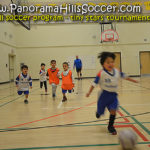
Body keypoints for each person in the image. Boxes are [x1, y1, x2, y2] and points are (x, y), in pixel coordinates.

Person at [86, 52, 138, 135]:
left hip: (113, 96)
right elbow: (94, 84)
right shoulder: (101, 73)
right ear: (103, 64)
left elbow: (124, 76)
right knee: (100, 113)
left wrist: (133, 80)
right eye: (108, 62)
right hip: (103, 96)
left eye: (112, 61)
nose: (110, 64)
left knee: (113, 111)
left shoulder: (116, 71)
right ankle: (98, 112)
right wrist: (89, 92)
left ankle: (110, 126)